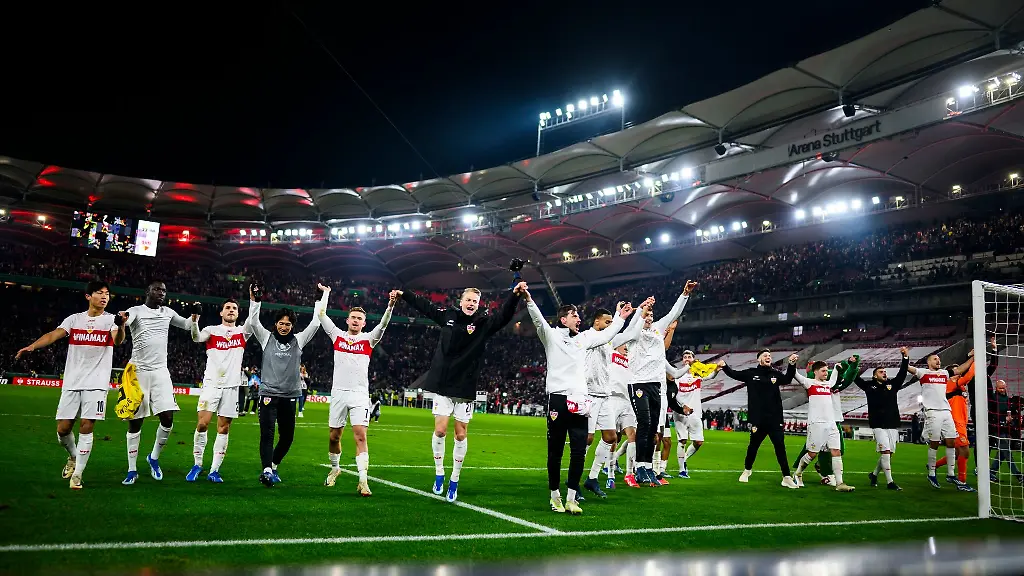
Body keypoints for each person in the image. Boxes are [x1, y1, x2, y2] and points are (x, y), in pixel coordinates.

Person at [394, 285, 522, 503]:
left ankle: (454, 479)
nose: (471, 304)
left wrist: (514, 295)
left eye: (475, 301)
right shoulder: (448, 317)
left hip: (464, 386)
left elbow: (504, 316)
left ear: (478, 304)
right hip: (443, 383)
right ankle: (439, 473)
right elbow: (425, 307)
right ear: (461, 301)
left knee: (460, 435)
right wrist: (404, 294)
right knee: (441, 430)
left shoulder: (483, 324)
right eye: (468, 300)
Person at [521, 282, 633, 515]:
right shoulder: (551, 336)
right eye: (574, 316)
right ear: (564, 320)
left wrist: (621, 318)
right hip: (558, 401)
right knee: (556, 451)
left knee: (579, 451)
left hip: (581, 402)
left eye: (578, 315)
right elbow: (539, 319)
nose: (578, 318)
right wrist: (529, 299)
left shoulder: (583, 339)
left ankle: (572, 497)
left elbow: (607, 335)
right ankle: (554, 496)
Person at [15, 280, 126, 489]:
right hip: (72, 381)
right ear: (88, 296)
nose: (104, 297)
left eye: (107, 294)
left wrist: (120, 325)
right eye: (100, 293)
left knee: (87, 425)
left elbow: (118, 340)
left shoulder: (112, 320)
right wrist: (32, 346)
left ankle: (78, 475)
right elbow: (53, 335)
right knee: (63, 429)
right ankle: (74, 457)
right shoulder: (74, 320)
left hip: (97, 382)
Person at [246, 282, 329, 487]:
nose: (284, 327)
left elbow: (316, 323)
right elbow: (254, 322)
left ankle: (273, 465)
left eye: (288, 324)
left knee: (288, 438)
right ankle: (266, 471)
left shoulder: (299, 341)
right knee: (267, 434)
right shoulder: (266, 338)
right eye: (281, 323)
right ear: (276, 324)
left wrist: (321, 298)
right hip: (268, 394)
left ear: (293, 326)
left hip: (290, 396)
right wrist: (255, 300)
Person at [618, 280, 697, 487]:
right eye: (647, 315)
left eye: (652, 315)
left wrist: (684, 294)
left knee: (653, 427)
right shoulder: (634, 332)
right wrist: (641, 309)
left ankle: (646, 467)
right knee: (644, 422)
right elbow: (635, 323)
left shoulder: (656, 330)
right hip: (638, 383)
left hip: (656, 385)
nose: (650, 317)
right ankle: (639, 468)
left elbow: (673, 314)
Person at [119, 281, 196, 485]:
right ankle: (132, 469)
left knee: (168, 419)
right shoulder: (136, 310)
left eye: (164, 290)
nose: (161, 293)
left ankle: (153, 458)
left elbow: (187, 325)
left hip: (161, 371)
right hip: (138, 372)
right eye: (157, 289)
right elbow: (126, 320)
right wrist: (121, 319)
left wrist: (195, 316)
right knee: (135, 422)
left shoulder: (168, 312)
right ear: (148, 291)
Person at [320, 293, 396, 497]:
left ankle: (363, 480)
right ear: (347, 320)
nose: (356, 320)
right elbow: (321, 315)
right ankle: (335, 468)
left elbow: (384, 325)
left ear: (364, 323)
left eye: (359, 318)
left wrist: (389, 306)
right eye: (353, 317)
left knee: (360, 435)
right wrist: (326, 294)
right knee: (334, 437)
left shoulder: (369, 339)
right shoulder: (337, 336)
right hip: (338, 393)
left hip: (360, 395)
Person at [580, 300, 648, 499]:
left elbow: (631, 334)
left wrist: (639, 312)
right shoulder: (587, 337)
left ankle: (592, 478)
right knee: (587, 439)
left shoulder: (609, 342)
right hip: (590, 394)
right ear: (597, 322)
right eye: (607, 322)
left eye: (612, 322)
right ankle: (574, 480)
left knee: (610, 438)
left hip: (605, 396)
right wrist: (620, 318)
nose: (610, 325)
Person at [186, 298, 253, 483]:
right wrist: (194, 319)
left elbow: (253, 318)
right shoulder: (211, 330)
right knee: (202, 424)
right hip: (211, 384)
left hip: (232, 387)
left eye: (234, 308)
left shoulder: (242, 332)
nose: (231, 310)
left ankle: (214, 470)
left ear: (238, 313)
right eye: (227, 308)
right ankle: (197, 464)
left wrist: (255, 300)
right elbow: (195, 337)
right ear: (221, 313)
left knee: (223, 428)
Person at [719, 349, 799, 488]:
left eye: (770, 356)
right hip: (758, 419)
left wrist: (791, 365)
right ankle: (747, 470)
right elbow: (734, 374)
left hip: (775, 418)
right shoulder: (751, 373)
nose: (768, 357)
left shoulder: (775, 374)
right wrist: (724, 366)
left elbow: (787, 379)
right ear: (759, 359)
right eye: (765, 355)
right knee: (753, 446)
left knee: (780, 447)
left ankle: (786, 476)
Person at [906, 352, 973, 489]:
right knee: (935, 443)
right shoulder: (923, 373)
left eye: (939, 359)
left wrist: (974, 357)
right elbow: (908, 368)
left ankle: (950, 474)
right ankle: (931, 473)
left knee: (951, 441)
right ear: (929, 362)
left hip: (946, 411)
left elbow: (960, 369)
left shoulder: (944, 373)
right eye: (935, 359)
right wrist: (905, 357)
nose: (938, 361)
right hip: (932, 411)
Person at [852, 347, 910, 491]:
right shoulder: (868, 386)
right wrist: (853, 365)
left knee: (888, 453)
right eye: (880, 372)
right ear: (874, 376)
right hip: (877, 424)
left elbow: (902, 373)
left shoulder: (892, 385)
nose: (884, 373)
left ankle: (874, 474)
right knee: (885, 452)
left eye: (885, 372)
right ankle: (890, 482)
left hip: (892, 423)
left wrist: (905, 358)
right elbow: (855, 378)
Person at [792, 361, 855, 492]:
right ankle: (797, 473)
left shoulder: (828, 384)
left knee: (836, 452)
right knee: (812, 453)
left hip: (831, 423)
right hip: (816, 423)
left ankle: (840, 483)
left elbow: (834, 377)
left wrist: (837, 368)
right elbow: (795, 374)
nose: (826, 373)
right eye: (823, 371)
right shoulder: (809, 383)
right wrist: (792, 364)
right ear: (815, 372)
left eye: (827, 371)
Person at [667, 349, 720, 478]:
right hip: (681, 413)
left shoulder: (697, 375)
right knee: (683, 440)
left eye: (689, 356)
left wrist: (717, 370)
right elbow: (674, 393)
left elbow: (710, 376)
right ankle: (682, 470)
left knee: (698, 442)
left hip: (695, 412)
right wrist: (682, 407)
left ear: (693, 359)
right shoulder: (678, 375)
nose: (686, 358)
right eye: (684, 357)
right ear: (682, 360)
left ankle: (683, 459)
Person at [607, 343, 640, 488]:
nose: (626, 348)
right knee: (613, 438)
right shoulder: (611, 354)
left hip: (628, 401)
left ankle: (629, 474)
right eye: (623, 345)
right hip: (612, 399)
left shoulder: (632, 360)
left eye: (628, 345)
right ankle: (610, 474)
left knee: (633, 436)